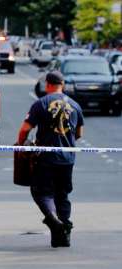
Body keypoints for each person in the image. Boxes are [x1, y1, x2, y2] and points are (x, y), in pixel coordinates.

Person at [17, 71, 84, 248]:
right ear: (62, 84)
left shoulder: (41, 103)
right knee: (62, 195)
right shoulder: (75, 105)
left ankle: (54, 221)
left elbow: (25, 129)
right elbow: (79, 133)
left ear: (48, 84)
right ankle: (62, 237)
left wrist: (20, 143)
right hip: (68, 158)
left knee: (42, 192)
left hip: (46, 158)